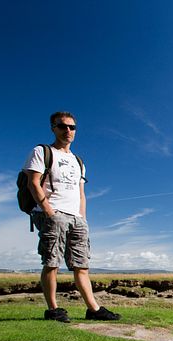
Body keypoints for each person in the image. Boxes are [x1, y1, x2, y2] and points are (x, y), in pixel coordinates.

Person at [22, 111, 120, 323]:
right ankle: (53, 309)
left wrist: (82, 217)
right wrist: (49, 211)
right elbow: (33, 183)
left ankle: (93, 309)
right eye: (62, 126)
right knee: (52, 262)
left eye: (72, 127)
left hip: (76, 217)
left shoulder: (78, 160)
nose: (68, 130)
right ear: (53, 128)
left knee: (81, 265)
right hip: (52, 214)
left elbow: (80, 193)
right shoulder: (42, 151)